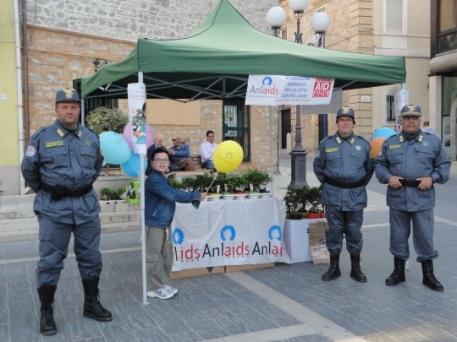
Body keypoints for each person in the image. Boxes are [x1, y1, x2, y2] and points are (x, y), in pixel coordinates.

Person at [21, 88, 112, 336]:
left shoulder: (90, 137)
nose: (70, 111)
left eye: (73, 106)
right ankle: (47, 311)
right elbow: (29, 170)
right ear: (57, 109)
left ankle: (91, 303)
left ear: (79, 109)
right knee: (50, 261)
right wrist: (49, 190)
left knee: (91, 257)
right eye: (64, 106)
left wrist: (79, 187)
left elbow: (96, 167)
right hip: (54, 209)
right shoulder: (42, 137)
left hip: (85, 206)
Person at [375, 105, 450, 291]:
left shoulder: (432, 142)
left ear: (420, 120)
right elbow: (379, 165)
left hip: (422, 196)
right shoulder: (390, 142)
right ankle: (398, 272)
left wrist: (432, 178)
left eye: (414, 118)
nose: (410, 121)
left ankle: (428, 275)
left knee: (424, 237)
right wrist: (388, 177)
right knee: (398, 236)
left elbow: (444, 165)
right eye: (406, 117)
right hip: (398, 196)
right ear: (400, 120)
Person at [313, 106, 374, 283]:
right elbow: (318, 167)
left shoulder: (363, 144)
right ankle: (334, 268)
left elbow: (369, 169)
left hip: (355, 195)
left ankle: (356, 268)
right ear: (337, 122)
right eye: (342, 120)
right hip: (333, 195)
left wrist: (357, 184)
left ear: (353, 123)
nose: (345, 123)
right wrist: (331, 184)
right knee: (334, 231)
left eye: (348, 120)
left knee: (354, 232)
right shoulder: (327, 143)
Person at [145, 147, 206, 299]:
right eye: (158, 160)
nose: (162, 163)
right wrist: (195, 195)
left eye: (165, 160)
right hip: (154, 222)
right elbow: (171, 194)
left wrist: (194, 197)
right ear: (151, 162)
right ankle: (154, 287)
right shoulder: (153, 179)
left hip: (164, 222)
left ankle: (162, 283)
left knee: (166, 256)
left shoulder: (162, 178)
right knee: (153, 257)